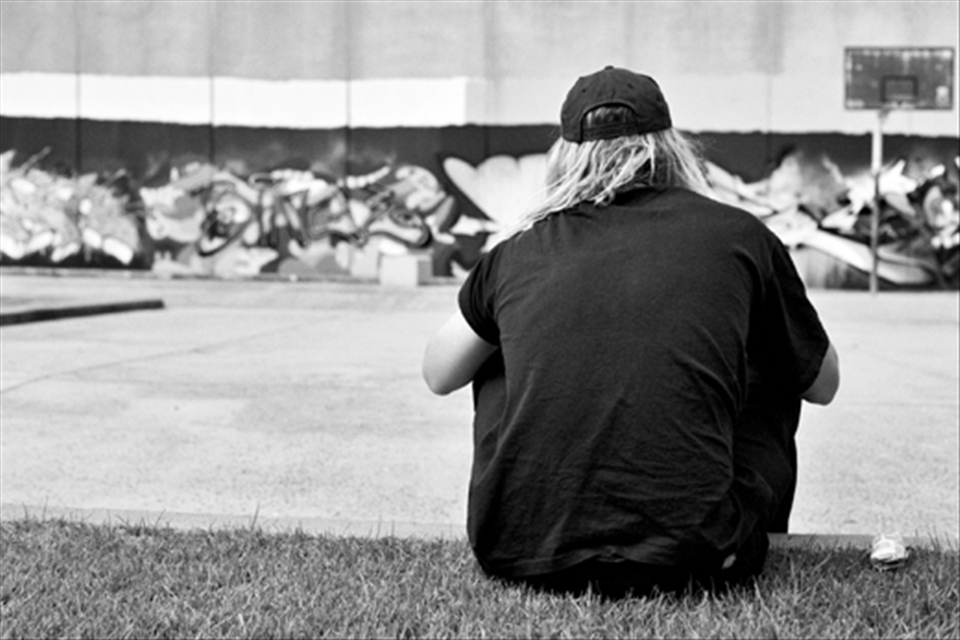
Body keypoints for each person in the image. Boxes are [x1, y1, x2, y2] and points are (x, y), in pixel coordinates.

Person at [422, 66, 839, 598]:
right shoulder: (742, 236)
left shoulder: (516, 250)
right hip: (700, 554)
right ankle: (737, 529)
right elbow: (821, 383)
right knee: (780, 356)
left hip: (517, 551)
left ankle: (534, 514)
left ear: (566, 155)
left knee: (493, 351)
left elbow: (439, 374)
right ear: (669, 147)